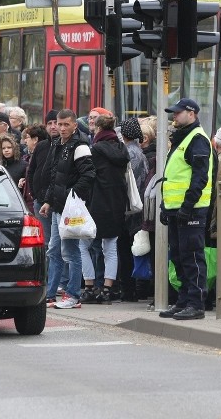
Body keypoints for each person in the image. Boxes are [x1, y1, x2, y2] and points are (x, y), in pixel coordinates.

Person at [158, 98, 213, 321]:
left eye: (178, 113)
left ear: (192, 114)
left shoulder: (197, 139)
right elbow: (174, 177)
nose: (174, 117)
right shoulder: (182, 138)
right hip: (176, 209)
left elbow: (199, 177)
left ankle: (196, 303)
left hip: (191, 210)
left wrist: (187, 206)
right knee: (179, 258)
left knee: (191, 257)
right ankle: (183, 301)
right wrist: (166, 206)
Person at [39, 109, 96, 309]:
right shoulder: (57, 144)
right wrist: (48, 200)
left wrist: (72, 195)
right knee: (54, 250)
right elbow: (54, 178)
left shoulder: (80, 146)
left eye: (65, 124)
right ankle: (51, 293)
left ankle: (73, 295)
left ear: (74, 125)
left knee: (71, 252)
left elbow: (88, 175)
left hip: (69, 208)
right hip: (57, 206)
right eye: (58, 124)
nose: (61, 128)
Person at [79, 115, 129, 304]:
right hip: (117, 203)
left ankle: (90, 287)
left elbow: (88, 176)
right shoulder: (121, 149)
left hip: (97, 203)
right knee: (110, 247)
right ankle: (108, 288)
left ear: (99, 129)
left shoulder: (96, 149)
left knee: (84, 245)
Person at [119, 117, 150, 301]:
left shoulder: (128, 153)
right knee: (138, 248)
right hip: (140, 207)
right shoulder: (140, 153)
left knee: (127, 250)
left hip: (130, 208)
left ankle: (129, 290)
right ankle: (139, 288)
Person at [26, 111, 58, 254]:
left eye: (56, 123)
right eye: (49, 123)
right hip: (40, 200)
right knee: (45, 243)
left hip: (57, 202)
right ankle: (47, 275)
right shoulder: (42, 146)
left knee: (57, 244)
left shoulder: (66, 145)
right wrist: (35, 193)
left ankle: (61, 277)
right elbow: (32, 170)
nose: (53, 126)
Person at [18, 124, 49, 211]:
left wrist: (34, 195)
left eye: (27, 137)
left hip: (37, 201)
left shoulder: (42, 156)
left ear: (35, 140)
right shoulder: (30, 156)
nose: (25, 141)